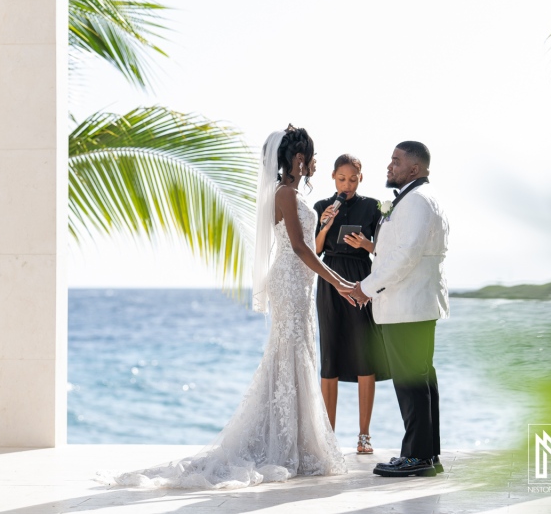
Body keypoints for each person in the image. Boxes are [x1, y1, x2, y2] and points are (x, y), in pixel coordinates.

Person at [98, 125, 352, 489]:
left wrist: (323, 232)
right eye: (310, 155)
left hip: (297, 282)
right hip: (290, 282)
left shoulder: (288, 194)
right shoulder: (283, 194)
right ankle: (286, 444)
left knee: (297, 355)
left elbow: (303, 245)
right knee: (291, 354)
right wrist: (340, 282)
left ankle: (296, 440)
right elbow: (298, 247)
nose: (314, 161)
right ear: (298, 159)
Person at [350, 141, 449, 478]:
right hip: (413, 305)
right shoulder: (416, 199)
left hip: (408, 306)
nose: (389, 166)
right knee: (420, 380)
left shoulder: (417, 202)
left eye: (396, 161)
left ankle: (417, 457)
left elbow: (404, 257)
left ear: (414, 168)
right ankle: (427, 455)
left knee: (412, 382)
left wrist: (364, 288)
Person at [313, 154, 390, 455]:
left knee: (364, 355)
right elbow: (315, 250)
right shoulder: (322, 206)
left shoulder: (373, 206)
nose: (347, 184)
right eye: (342, 179)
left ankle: (364, 436)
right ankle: (328, 438)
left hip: (361, 279)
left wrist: (366, 245)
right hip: (330, 281)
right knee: (330, 355)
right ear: (333, 177)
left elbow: (386, 249)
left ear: (361, 178)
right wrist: (324, 225)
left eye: (353, 179)